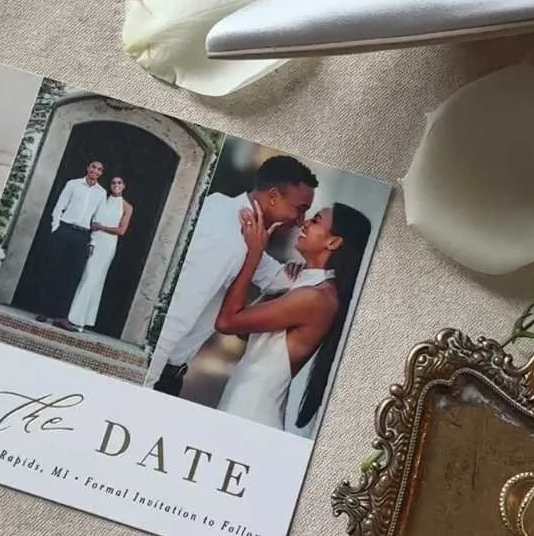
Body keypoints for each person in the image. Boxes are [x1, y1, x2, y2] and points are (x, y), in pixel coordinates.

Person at [147, 155, 318, 395]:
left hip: (167, 372)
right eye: (300, 210)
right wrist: (143, 387)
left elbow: (274, 278)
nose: (301, 222)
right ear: (272, 197)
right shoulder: (227, 236)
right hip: (156, 374)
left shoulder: (232, 217)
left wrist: (312, 267)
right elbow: (173, 318)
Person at [214, 201, 371, 431]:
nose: (305, 222)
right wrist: (286, 287)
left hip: (251, 414)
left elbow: (227, 322)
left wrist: (254, 253)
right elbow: (246, 335)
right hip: (242, 403)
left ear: (334, 242)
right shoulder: (307, 285)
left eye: (316, 220)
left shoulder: (316, 297)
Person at [36, 160, 107, 329]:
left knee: (71, 275)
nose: (95, 171)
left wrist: (93, 242)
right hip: (65, 229)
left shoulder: (101, 193)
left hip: (83, 234)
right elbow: (59, 206)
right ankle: (43, 310)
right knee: (53, 269)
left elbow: (98, 219)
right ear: (88, 168)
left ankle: (60, 316)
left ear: (101, 173)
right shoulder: (73, 184)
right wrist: (56, 227)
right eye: (93, 167)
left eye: (99, 169)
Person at [67, 174, 133, 332]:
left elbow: (121, 230)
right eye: (113, 182)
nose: (116, 185)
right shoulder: (103, 198)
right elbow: (93, 219)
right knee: (86, 276)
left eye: (119, 182)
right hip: (95, 241)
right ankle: (78, 317)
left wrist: (102, 228)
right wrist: (92, 238)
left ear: (124, 186)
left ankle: (77, 320)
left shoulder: (126, 206)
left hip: (108, 244)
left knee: (93, 278)